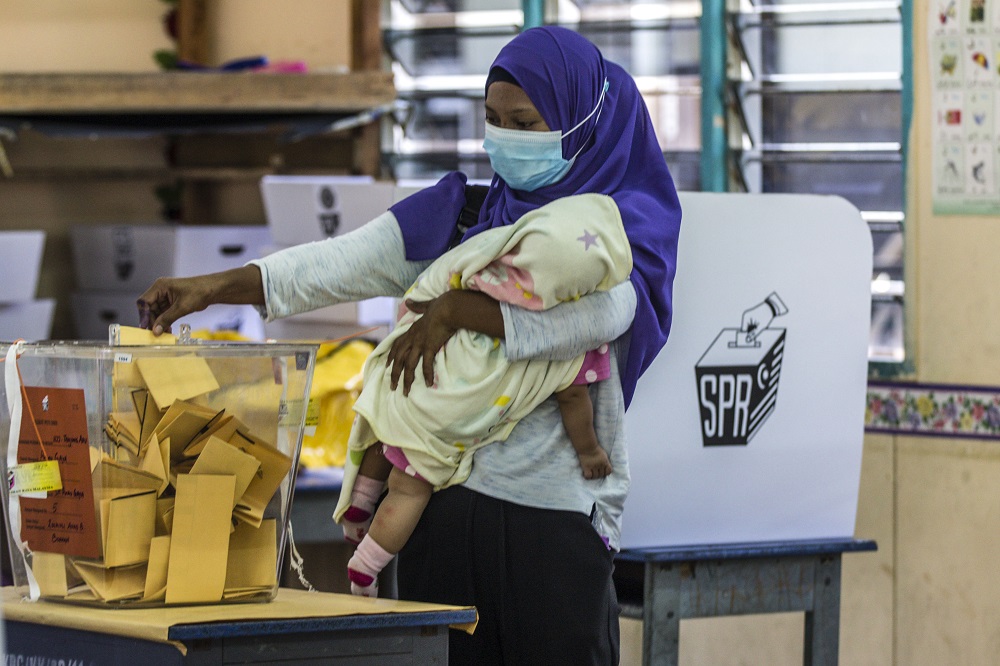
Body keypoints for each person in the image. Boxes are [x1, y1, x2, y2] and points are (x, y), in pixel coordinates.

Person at [137, 25, 681, 666]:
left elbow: (602, 317)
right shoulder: (463, 217)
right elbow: (336, 264)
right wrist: (210, 287)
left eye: (527, 122)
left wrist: (456, 310)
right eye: (494, 119)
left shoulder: (617, 236)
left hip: (553, 529)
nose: (505, 138)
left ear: (584, 121)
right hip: (438, 511)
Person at [335, 192, 632, 596]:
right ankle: (367, 565)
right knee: (409, 488)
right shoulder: (564, 335)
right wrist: (590, 452)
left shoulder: (481, 266)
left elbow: (425, 292)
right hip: (449, 419)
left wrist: (424, 315)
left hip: (413, 373)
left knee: (388, 428)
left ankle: (362, 499)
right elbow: (573, 400)